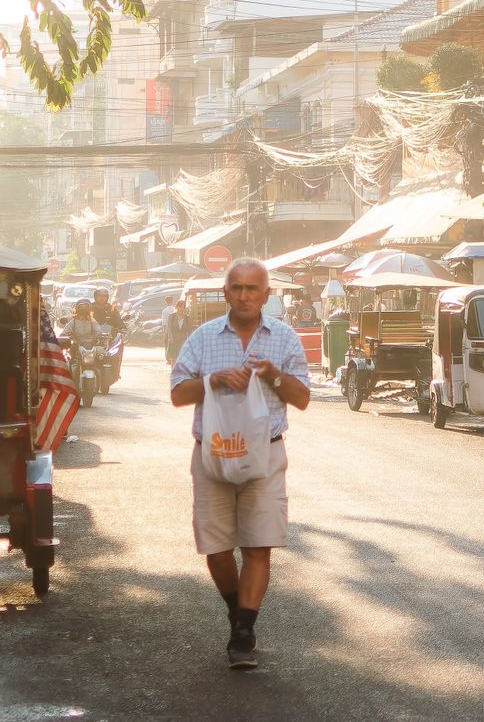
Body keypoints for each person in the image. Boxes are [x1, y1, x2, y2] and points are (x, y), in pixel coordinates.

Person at [169, 259, 311, 670]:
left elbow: (302, 398)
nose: (245, 295)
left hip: (265, 453)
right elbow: (178, 393)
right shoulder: (203, 337)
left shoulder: (284, 338)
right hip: (212, 453)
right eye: (237, 288)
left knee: (257, 544)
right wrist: (212, 380)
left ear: (267, 295)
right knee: (215, 549)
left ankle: (243, 633)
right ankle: (238, 613)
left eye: (253, 288)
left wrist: (272, 376)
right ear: (225, 292)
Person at [160, 295, 182, 366]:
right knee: (175, 344)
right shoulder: (175, 309)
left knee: (167, 345)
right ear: (172, 301)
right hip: (176, 329)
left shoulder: (164, 311)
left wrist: (164, 332)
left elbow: (164, 323)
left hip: (167, 329)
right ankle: (175, 358)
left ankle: (169, 359)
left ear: (166, 302)